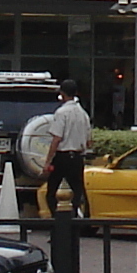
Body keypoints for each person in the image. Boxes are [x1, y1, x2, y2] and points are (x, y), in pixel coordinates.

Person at [36, 79, 95, 219]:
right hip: (78, 157)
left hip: (63, 156)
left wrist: (48, 162)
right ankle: (77, 220)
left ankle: (57, 223)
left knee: (51, 192)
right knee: (78, 191)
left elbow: (56, 139)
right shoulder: (83, 114)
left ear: (62, 93)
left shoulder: (61, 113)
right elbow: (89, 141)